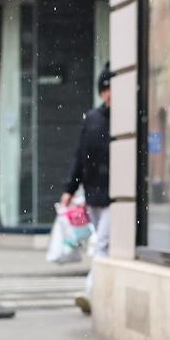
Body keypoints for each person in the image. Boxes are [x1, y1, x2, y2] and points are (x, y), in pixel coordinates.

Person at [61, 65, 113, 314]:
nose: (109, 94)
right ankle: (102, 293)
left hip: (115, 198)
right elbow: (80, 156)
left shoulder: (127, 119)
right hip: (94, 195)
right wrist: (70, 189)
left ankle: (91, 292)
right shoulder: (92, 119)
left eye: (112, 88)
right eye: (105, 89)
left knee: (101, 244)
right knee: (100, 245)